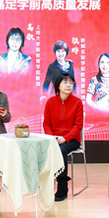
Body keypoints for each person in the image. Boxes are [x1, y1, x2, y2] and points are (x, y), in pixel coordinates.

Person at [43, 73, 84, 201]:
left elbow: (78, 126)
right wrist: (52, 138)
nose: (68, 85)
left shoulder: (77, 102)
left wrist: (65, 138)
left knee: (61, 150)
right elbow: (46, 123)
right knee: (44, 149)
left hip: (72, 140)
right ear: (58, 85)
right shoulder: (50, 102)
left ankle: (62, 186)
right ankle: (44, 184)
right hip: (53, 139)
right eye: (65, 82)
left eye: (71, 82)